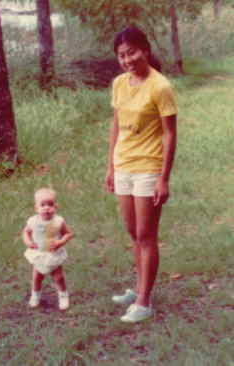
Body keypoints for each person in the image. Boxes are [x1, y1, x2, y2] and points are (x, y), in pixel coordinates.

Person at [105, 26, 177, 323]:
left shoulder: (160, 86)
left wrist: (163, 177)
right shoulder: (120, 83)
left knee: (147, 236)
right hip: (124, 166)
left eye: (132, 52)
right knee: (133, 233)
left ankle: (145, 302)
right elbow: (115, 125)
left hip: (149, 168)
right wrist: (110, 166)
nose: (128, 59)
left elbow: (169, 135)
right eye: (122, 55)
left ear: (145, 50)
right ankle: (138, 289)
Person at [23, 187, 73, 310]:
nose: (46, 208)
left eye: (50, 204)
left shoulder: (58, 221)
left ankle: (63, 295)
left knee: (58, 277)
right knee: (37, 277)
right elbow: (25, 232)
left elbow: (68, 233)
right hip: (39, 253)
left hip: (53, 254)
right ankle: (35, 295)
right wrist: (28, 241)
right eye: (42, 205)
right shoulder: (33, 221)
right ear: (36, 208)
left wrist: (60, 242)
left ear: (56, 207)